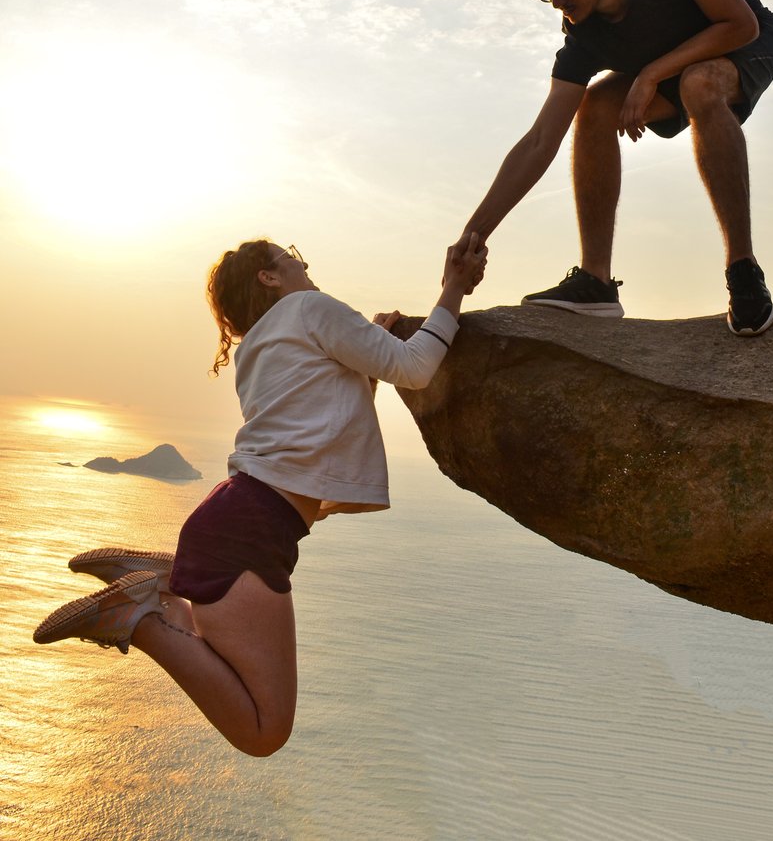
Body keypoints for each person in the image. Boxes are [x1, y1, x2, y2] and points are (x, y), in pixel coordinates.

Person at [33, 233, 486, 756]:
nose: (303, 264)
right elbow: (415, 366)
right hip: (246, 532)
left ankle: (165, 576)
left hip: (237, 521)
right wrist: (453, 290)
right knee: (263, 730)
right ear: (268, 277)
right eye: (291, 257)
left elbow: (320, 427)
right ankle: (140, 618)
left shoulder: (260, 349)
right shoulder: (309, 308)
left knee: (261, 724)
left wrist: (366, 361)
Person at [457, 0, 773, 335]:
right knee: (592, 106)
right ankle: (596, 282)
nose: (557, 0)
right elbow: (540, 140)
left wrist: (650, 75)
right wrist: (475, 233)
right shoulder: (584, 34)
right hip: (675, 68)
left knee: (699, 84)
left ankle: (743, 269)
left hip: (747, 41)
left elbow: (740, 24)